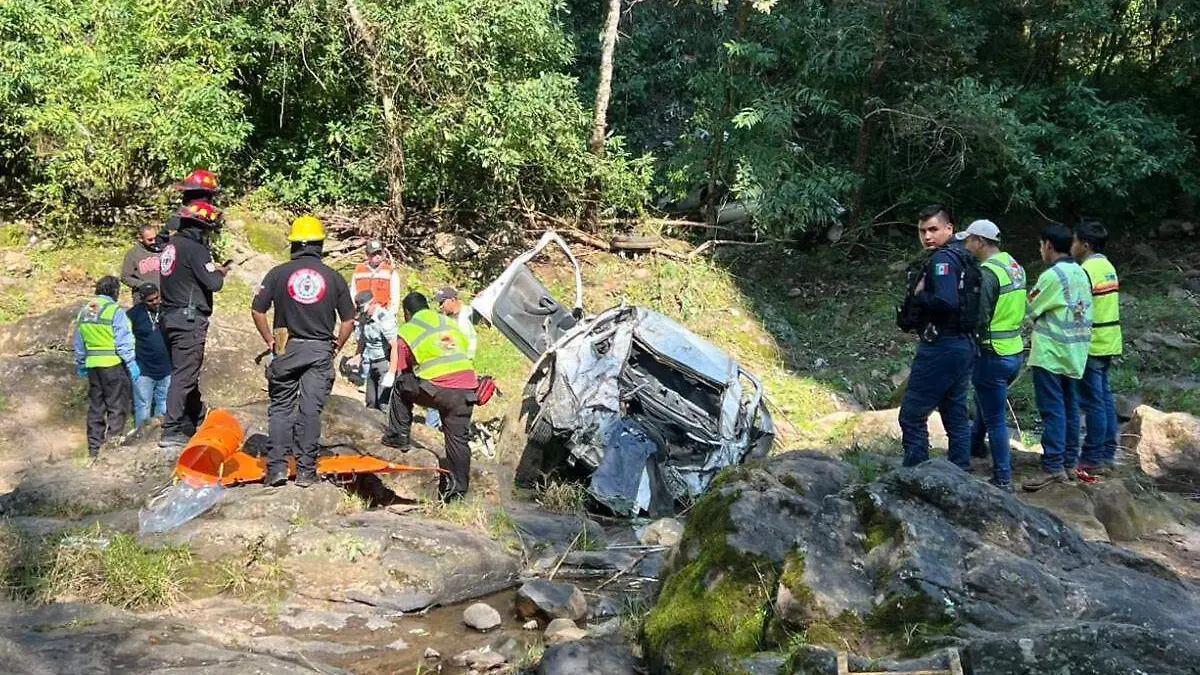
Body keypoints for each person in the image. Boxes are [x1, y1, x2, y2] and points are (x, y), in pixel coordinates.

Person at [252, 216, 355, 487]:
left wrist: (269, 341)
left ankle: (276, 469)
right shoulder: (333, 277)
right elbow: (349, 321)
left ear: (294, 245)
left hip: (287, 348)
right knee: (310, 411)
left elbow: (257, 309)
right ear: (320, 245)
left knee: (281, 408)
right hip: (320, 350)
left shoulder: (277, 273)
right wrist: (337, 346)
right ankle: (307, 472)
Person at [896, 205, 979, 472]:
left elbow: (946, 301)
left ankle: (915, 476)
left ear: (949, 229)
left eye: (933, 229)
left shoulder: (943, 261)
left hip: (942, 345)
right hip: (964, 343)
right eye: (922, 231)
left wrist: (920, 295)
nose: (927, 236)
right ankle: (960, 471)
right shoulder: (964, 256)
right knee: (954, 411)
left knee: (911, 415)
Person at [382, 292, 478, 502]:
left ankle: (398, 437)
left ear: (406, 313)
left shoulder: (408, 329)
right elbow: (463, 349)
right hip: (467, 388)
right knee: (458, 440)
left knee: (401, 385)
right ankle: (458, 493)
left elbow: (402, 367)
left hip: (439, 389)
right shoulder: (450, 322)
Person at [1022, 223, 1093, 492]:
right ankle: (1069, 464)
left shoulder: (1052, 276)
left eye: (1041, 245)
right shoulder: (1080, 273)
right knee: (1071, 409)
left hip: (1051, 352)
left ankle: (1052, 466)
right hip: (1075, 352)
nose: (1041, 250)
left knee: (1052, 410)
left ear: (1048, 245)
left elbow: (1031, 308)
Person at [958, 220, 1026, 491]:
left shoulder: (987, 273)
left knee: (997, 418)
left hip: (992, 354)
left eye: (969, 240)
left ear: (980, 242)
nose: (966, 246)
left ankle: (1003, 477)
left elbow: (980, 314)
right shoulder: (1014, 266)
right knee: (987, 403)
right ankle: (976, 446)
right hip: (1014, 352)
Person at [158, 201, 228, 450]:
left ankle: (194, 419)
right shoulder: (196, 249)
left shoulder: (170, 247)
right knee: (184, 375)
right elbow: (213, 283)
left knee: (185, 371)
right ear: (201, 227)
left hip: (168, 317)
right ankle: (171, 429)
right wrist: (220, 272)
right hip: (188, 320)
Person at [1074, 219, 1122, 476]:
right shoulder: (1108, 267)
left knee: (1093, 401)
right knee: (1104, 398)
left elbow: (1079, 309)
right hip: (1110, 340)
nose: (1072, 246)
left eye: (1075, 241)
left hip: (1092, 343)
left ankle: (1092, 456)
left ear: (1085, 244)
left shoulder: (1087, 270)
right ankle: (1108, 452)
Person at [73, 276, 138, 457]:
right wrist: (131, 363)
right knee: (117, 405)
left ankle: (94, 448)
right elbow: (123, 340)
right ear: (115, 291)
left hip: (93, 365)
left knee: (96, 407)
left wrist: (80, 362)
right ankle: (112, 444)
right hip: (113, 364)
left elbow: (79, 340)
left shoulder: (85, 311)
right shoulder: (114, 311)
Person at [128, 283, 172, 428]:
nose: (155, 302)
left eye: (157, 298)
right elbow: (125, 338)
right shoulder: (134, 314)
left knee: (164, 404)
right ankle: (141, 437)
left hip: (166, 368)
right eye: (150, 300)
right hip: (143, 370)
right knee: (143, 406)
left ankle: (160, 434)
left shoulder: (168, 310)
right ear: (142, 300)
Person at [348, 290, 399, 410]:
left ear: (373, 303)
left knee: (383, 404)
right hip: (371, 361)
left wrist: (391, 372)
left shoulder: (384, 318)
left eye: (365, 309)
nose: (363, 312)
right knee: (370, 402)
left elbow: (395, 345)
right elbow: (362, 338)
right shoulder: (365, 316)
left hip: (384, 363)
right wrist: (358, 355)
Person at [352, 240, 402, 315]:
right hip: (362, 314)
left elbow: (395, 296)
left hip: (383, 314)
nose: (377, 256)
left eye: (379, 253)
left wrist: (391, 314)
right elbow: (353, 292)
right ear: (367, 255)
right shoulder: (359, 271)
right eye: (374, 254)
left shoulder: (390, 271)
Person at [121, 224, 164, 302]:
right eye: (150, 240)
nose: (154, 242)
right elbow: (125, 277)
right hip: (143, 299)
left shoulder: (162, 250)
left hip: (162, 298)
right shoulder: (133, 254)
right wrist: (142, 285)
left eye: (155, 238)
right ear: (141, 238)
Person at [434, 286, 477, 359]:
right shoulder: (445, 318)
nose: (440, 307)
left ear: (452, 300)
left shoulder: (469, 314)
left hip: (465, 359)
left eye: (442, 303)